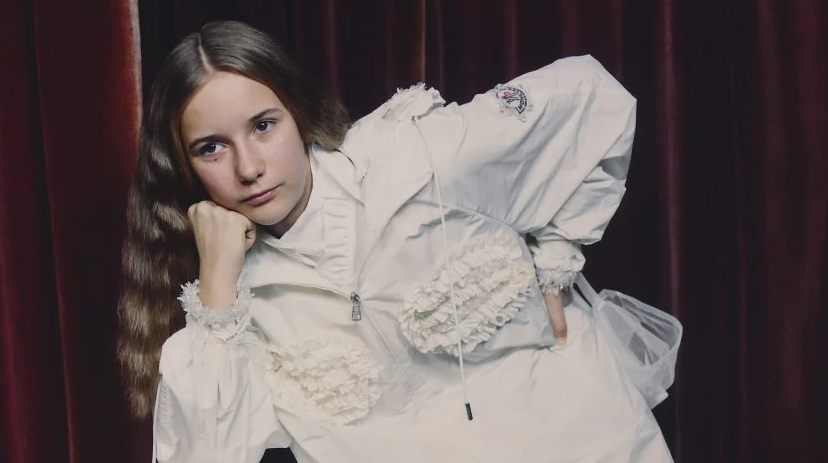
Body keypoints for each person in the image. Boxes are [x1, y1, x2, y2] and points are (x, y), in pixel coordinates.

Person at [118, 20, 681, 463]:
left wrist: (557, 259)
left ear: (298, 113)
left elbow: (592, 99)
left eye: (264, 126)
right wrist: (218, 288)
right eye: (211, 148)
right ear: (184, 166)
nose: (248, 168)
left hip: (583, 443)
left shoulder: (419, 159)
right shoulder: (233, 303)